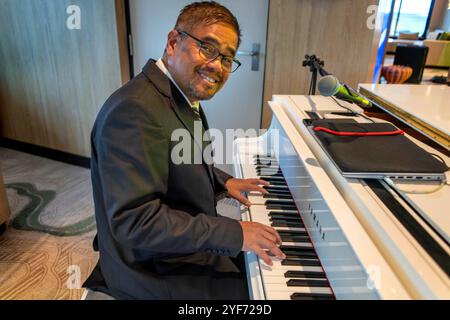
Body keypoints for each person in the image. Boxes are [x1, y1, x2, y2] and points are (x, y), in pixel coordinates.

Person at [83, 1, 285, 300]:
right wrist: (235, 233)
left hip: (173, 245)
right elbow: (135, 221)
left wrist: (222, 182)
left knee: (261, 266)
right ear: (173, 42)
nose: (217, 65)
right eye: (207, 47)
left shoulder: (178, 94)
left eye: (228, 59)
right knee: (260, 297)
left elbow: (175, 157)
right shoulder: (134, 112)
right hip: (149, 264)